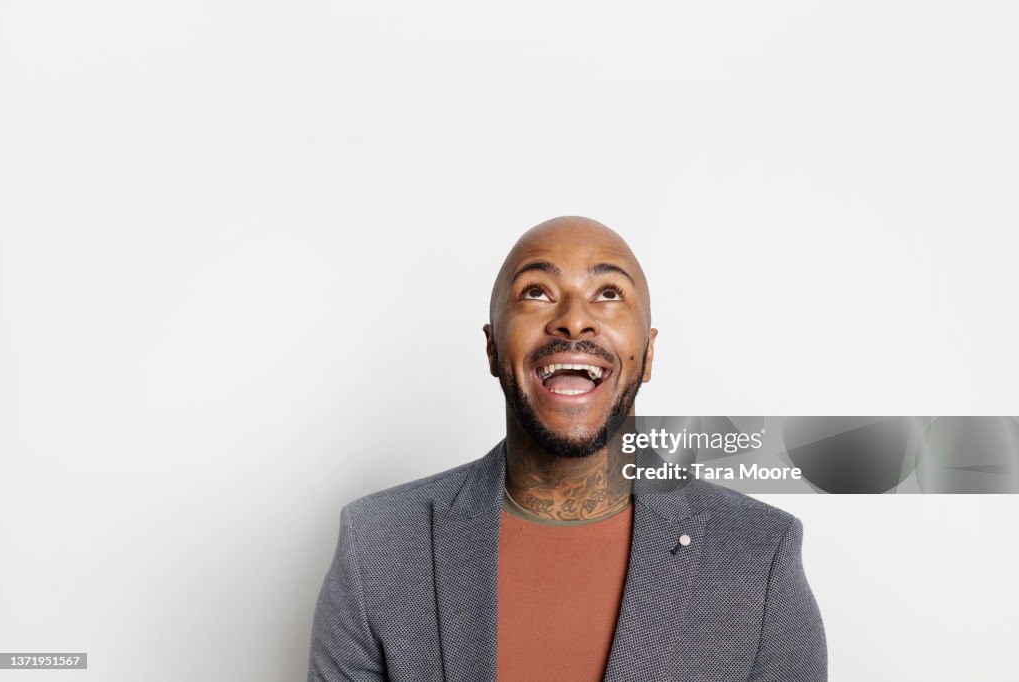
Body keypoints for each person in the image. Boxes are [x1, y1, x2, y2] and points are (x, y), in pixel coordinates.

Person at [308, 217, 827, 681]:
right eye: (537, 292)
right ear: (492, 347)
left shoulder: (760, 555)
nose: (574, 320)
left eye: (608, 293)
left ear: (647, 354)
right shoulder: (376, 546)